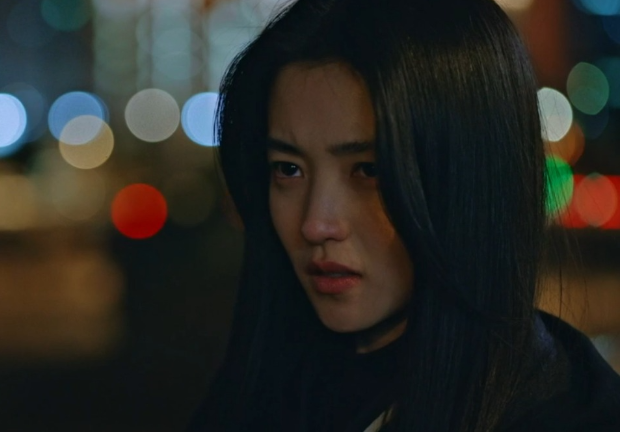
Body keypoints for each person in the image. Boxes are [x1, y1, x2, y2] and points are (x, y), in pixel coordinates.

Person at [186, 0, 620, 431]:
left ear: (473, 174)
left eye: (369, 171)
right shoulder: (256, 392)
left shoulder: (570, 416)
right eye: (288, 169)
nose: (315, 224)